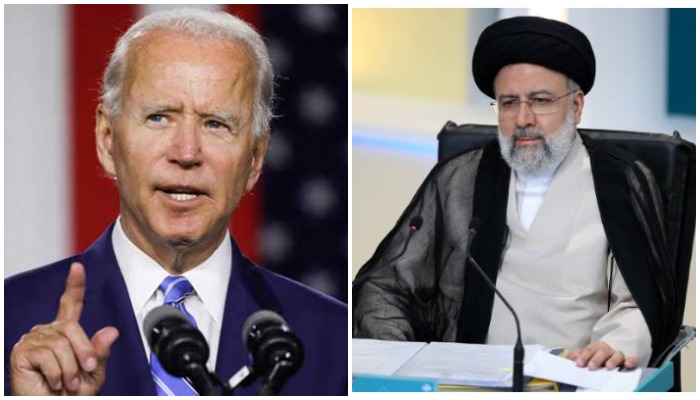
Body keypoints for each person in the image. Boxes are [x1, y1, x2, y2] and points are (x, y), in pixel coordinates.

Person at [5, 8, 347, 396]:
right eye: (159, 117)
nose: (187, 152)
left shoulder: (334, 341)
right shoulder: (10, 320)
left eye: (216, 123)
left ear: (254, 159)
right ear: (106, 139)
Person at [353, 16, 678, 371]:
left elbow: (639, 302)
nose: (523, 118)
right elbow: (386, 285)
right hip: (469, 380)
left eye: (540, 100)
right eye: (509, 102)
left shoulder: (619, 181)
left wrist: (614, 346)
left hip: (576, 378)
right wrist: (402, 361)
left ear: (577, 106)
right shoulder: (463, 177)